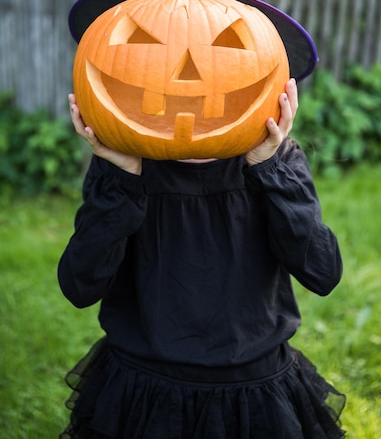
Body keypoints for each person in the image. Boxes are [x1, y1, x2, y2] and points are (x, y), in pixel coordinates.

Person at [58, 77, 346, 439]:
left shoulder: (276, 163)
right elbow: (79, 285)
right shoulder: (123, 167)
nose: (187, 79)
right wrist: (124, 177)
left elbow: (323, 272)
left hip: (255, 388)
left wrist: (267, 167)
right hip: (144, 388)